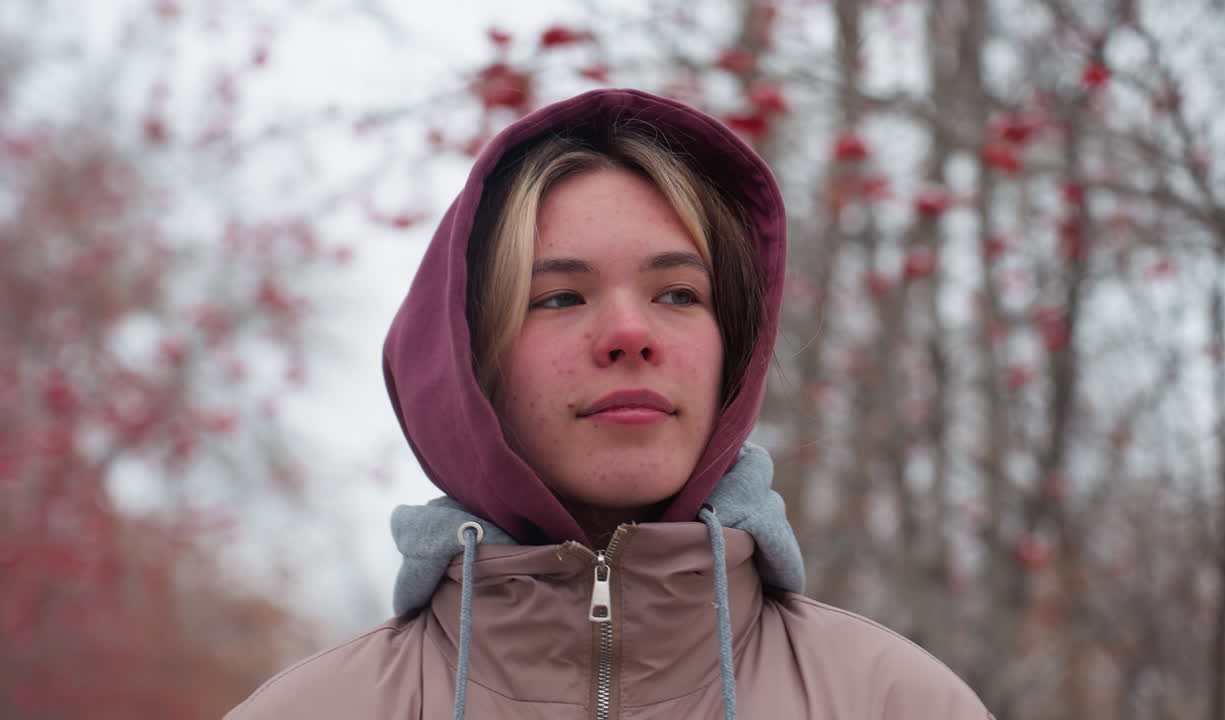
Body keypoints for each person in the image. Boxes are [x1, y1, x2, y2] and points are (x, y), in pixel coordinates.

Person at [225, 88, 993, 720]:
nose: (630, 334)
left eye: (678, 294)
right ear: (469, 362)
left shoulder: (900, 703)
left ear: (733, 351)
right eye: (560, 297)